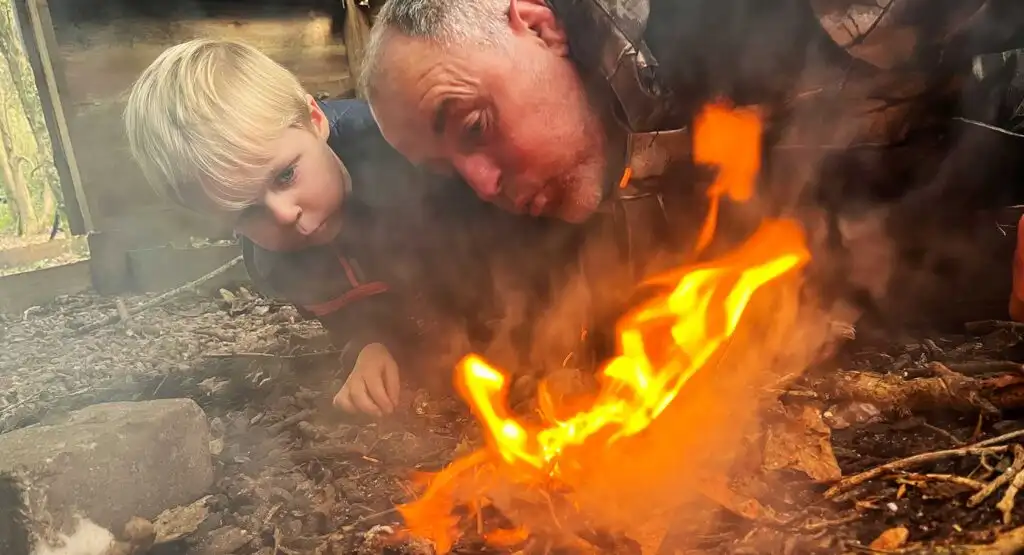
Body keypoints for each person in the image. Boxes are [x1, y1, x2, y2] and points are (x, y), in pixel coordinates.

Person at [358, 0, 1024, 340]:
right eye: (448, 172)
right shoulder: (596, 156)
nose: (483, 184)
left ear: (536, 25)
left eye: (474, 126)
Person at [123, 38, 537, 416]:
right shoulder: (275, 265)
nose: (284, 215)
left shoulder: (406, 152)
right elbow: (349, 312)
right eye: (246, 212)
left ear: (315, 118)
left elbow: (520, 234)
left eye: (285, 176)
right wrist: (370, 344)